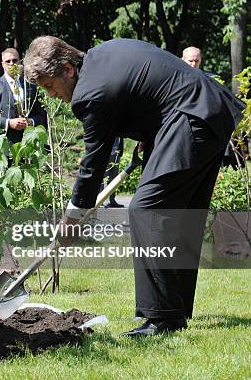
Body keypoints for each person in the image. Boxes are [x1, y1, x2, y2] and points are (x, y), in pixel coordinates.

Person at [23, 36, 245, 337]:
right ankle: (173, 310)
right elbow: (150, 87)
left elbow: (93, 163)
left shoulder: (90, 92)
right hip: (206, 110)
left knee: (146, 209)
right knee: (182, 213)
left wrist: (72, 219)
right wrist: (152, 131)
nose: (52, 95)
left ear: (68, 69)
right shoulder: (103, 56)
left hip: (189, 117)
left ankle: (162, 318)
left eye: (50, 86)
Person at [0, 48, 46, 144]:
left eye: (14, 60)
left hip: (31, 144)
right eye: (8, 61)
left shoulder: (31, 86)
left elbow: (42, 115)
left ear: (20, 62)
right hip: (4, 144)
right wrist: (8, 123)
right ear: (3, 64)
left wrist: (31, 122)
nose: (12, 64)